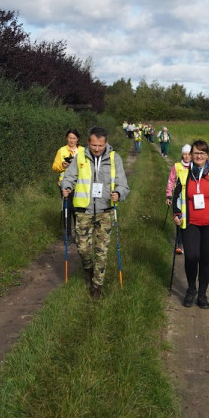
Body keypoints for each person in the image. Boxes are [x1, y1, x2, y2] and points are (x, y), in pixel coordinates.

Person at [61, 126, 130, 300]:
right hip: (83, 211)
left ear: (106, 143)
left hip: (105, 212)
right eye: (94, 145)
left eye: (100, 145)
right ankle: (88, 269)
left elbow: (123, 185)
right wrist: (66, 186)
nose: (97, 149)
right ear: (88, 143)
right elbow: (69, 176)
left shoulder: (115, 159)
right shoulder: (80, 157)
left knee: (102, 251)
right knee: (83, 248)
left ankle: (97, 286)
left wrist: (119, 193)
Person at [172, 139, 209, 309]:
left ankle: (202, 295)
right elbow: (177, 198)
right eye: (196, 153)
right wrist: (177, 214)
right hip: (191, 223)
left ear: (207, 156)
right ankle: (191, 290)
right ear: (190, 155)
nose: (199, 156)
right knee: (191, 256)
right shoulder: (183, 175)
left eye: (202, 153)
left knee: (206, 258)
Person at [52, 129, 83, 236]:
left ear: (77, 139)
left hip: (80, 185)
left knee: (77, 210)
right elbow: (54, 167)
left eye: (74, 138)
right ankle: (68, 234)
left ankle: (79, 234)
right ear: (66, 138)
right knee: (67, 208)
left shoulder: (83, 151)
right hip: (64, 184)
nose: (71, 140)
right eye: (70, 138)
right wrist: (62, 166)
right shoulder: (61, 150)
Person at [165, 144, 192, 254]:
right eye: (184, 154)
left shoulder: (195, 166)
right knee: (179, 219)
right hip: (178, 197)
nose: (186, 156)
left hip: (190, 199)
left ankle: (189, 242)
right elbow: (171, 181)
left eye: (189, 154)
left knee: (190, 222)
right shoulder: (176, 166)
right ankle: (180, 245)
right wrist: (168, 195)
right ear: (182, 155)